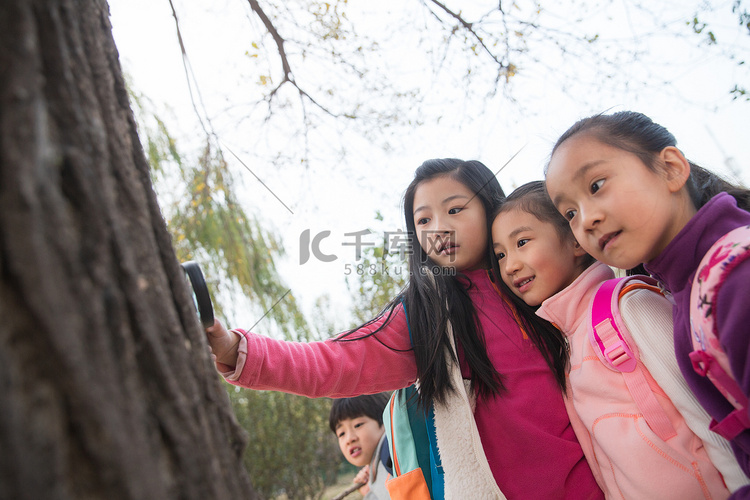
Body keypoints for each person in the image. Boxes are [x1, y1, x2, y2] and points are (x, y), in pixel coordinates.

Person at [205, 158, 603, 499]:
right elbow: (337, 361)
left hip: (598, 483)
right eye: (423, 219)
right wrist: (238, 351)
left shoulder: (539, 281)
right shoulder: (427, 317)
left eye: (455, 209)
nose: (438, 228)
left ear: (489, 207)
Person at [491, 180, 748, 498]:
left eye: (522, 242)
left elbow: (709, 414)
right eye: (500, 255)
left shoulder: (629, 305)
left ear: (575, 240)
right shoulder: (567, 342)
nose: (511, 265)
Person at [544, 110, 750, 498]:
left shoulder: (735, 280)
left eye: (597, 184)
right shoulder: (686, 292)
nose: (586, 219)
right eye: (569, 212)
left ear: (671, 168)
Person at [330, 393, 393, 499]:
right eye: (341, 433)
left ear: (384, 418)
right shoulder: (380, 465)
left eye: (358, 425)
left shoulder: (390, 457)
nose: (350, 439)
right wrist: (370, 491)